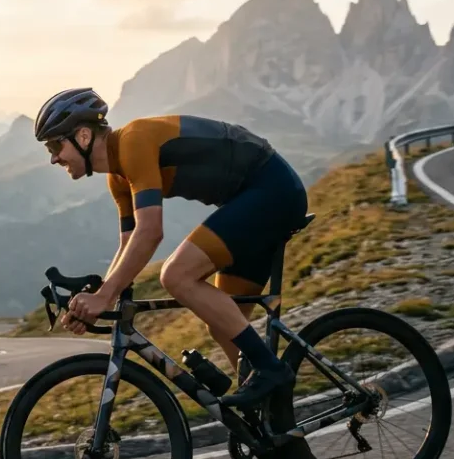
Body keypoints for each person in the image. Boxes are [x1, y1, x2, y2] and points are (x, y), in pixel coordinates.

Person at [36, 87, 308, 409]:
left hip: (272, 190)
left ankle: (272, 371)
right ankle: (273, 421)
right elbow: (129, 243)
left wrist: (104, 296)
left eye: (55, 145)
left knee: (176, 275)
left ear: (83, 136)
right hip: (250, 204)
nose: (53, 158)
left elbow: (150, 232)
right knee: (222, 325)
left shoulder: (133, 141)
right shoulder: (118, 178)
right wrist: (99, 301)